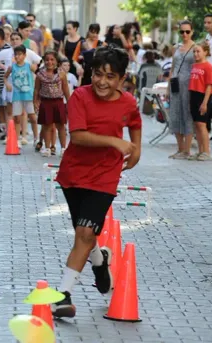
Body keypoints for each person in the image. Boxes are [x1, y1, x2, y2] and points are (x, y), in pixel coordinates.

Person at [52, 46, 142, 318]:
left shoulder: (127, 102)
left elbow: (135, 123)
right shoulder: (80, 96)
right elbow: (78, 136)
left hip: (105, 175)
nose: (103, 81)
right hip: (74, 174)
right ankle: (100, 261)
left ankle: (62, 296)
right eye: (98, 74)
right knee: (84, 233)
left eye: (110, 76)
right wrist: (116, 141)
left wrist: (136, 148)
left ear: (122, 79)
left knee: (85, 233)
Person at [168, 20, 196, 160]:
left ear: (192, 32)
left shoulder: (195, 47)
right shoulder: (176, 48)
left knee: (187, 115)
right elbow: (173, 67)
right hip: (175, 84)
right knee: (175, 114)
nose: (184, 34)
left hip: (189, 85)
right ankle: (180, 149)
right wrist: (168, 86)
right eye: (182, 32)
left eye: (187, 31)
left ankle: (187, 150)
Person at [34, 51, 71, 157]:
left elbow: (66, 89)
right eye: (47, 60)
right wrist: (35, 101)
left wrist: (69, 102)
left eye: (52, 59)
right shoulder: (40, 74)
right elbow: (36, 89)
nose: (49, 62)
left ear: (56, 61)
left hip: (58, 101)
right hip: (45, 102)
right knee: (47, 126)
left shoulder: (61, 74)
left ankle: (63, 148)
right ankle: (47, 148)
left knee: (61, 126)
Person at [188, 42, 212, 161]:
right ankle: (200, 151)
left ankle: (207, 152)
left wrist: (204, 103)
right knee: (196, 125)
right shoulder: (194, 65)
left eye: (198, 51)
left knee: (202, 124)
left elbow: (209, 85)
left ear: (205, 52)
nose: (195, 54)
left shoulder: (208, 66)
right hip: (193, 95)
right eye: (194, 51)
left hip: (203, 96)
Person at [5, 45, 36, 144]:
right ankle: (17, 139)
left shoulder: (28, 66)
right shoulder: (12, 67)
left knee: (32, 117)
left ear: (24, 55)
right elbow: (4, 77)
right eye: (16, 54)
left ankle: (36, 138)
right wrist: (7, 84)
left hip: (28, 95)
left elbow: (39, 74)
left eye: (19, 54)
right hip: (17, 96)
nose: (17, 56)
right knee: (17, 118)